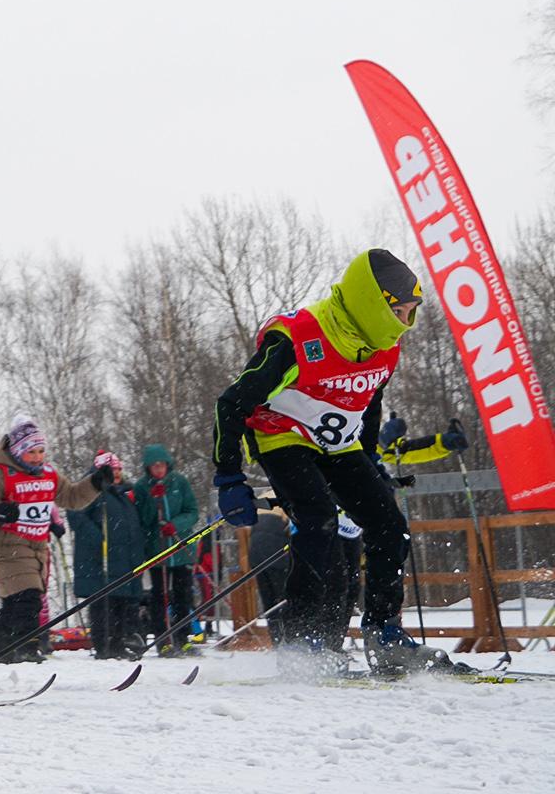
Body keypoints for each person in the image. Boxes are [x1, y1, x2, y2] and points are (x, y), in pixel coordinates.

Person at [211, 249, 433, 676]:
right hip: (282, 436)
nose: (406, 324)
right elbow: (230, 403)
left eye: (411, 313)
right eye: (400, 312)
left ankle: (384, 632)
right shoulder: (296, 340)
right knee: (318, 521)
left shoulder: (383, 347)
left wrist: (369, 462)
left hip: (338, 444)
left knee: (389, 524)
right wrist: (228, 476)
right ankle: (303, 644)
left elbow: (370, 402)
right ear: (373, 303)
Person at [0, 415, 109, 662]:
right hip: (5, 544)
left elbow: (72, 497)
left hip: (36, 547)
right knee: (29, 598)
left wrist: (95, 483)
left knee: (17, 600)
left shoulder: (48, 474)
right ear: (18, 451)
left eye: (41, 451)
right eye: (31, 452)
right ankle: (27, 648)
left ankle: (3, 646)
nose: (37, 457)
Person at [69, 451, 145, 660]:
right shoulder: (93, 489)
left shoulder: (123, 493)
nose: (117, 473)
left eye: (119, 469)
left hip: (122, 560)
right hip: (100, 560)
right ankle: (104, 645)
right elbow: (76, 514)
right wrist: (98, 537)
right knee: (104, 604)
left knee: (121, 603)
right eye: (113, 470)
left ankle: (118, 643)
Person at [133, 443, 198, 654]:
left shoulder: (180, 482)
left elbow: (192, 512)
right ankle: (164, 640)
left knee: (183, 594)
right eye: (154, 466)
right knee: (159, 596)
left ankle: (183, 637)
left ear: (167, 465)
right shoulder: (142, 487)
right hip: (157, 549)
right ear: (148, 468)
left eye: (161, 465)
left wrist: (176, 525)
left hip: (179, 547)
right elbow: (144, 519)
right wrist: (154, 500)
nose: (159, 469)